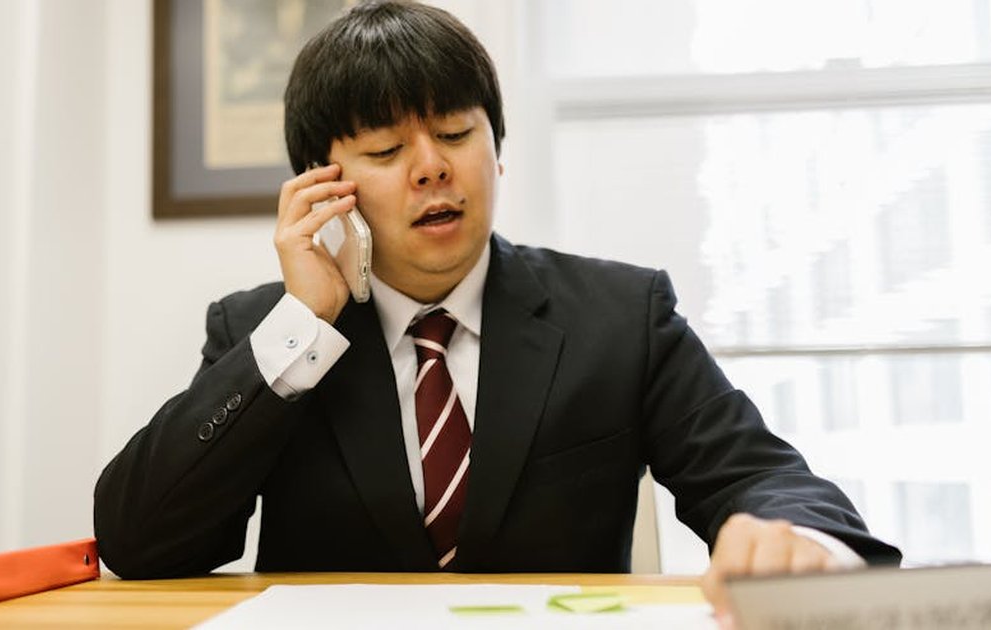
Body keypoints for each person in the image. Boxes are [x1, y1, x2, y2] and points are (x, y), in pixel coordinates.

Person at [94, 0, 900, 619]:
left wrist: (798, 546)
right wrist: (303, 323)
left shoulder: (621, 316)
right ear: (323, 183)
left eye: (455, 132)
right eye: (384, 151)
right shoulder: (266, 333)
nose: (431, 169)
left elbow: (765, 477)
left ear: (498, 148)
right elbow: (140, 541)